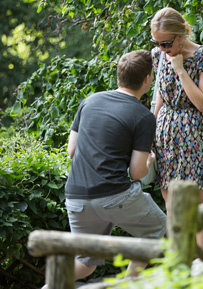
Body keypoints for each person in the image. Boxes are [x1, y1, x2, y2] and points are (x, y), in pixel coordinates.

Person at [41, 50, 167, 289]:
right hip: (115, 195)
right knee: (157, 227)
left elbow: (71, 150)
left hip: (76, 197)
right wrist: (148, 162)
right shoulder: (144, 117)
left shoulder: (89, 101)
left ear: (119, 75)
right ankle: (130, 283)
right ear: (149, 79)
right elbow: (137, 173)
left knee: (86, 263)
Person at [150, 7, 203, 253]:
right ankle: (179, 268)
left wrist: (180, 69)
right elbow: (158, 95)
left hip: (196, 135)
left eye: (166, 43)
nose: (162, 49)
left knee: (200, 207)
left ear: (181, 35)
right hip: (166, 136)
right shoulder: (158, 56)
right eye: (156, 43)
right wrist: (149, 129)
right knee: (172, 208)